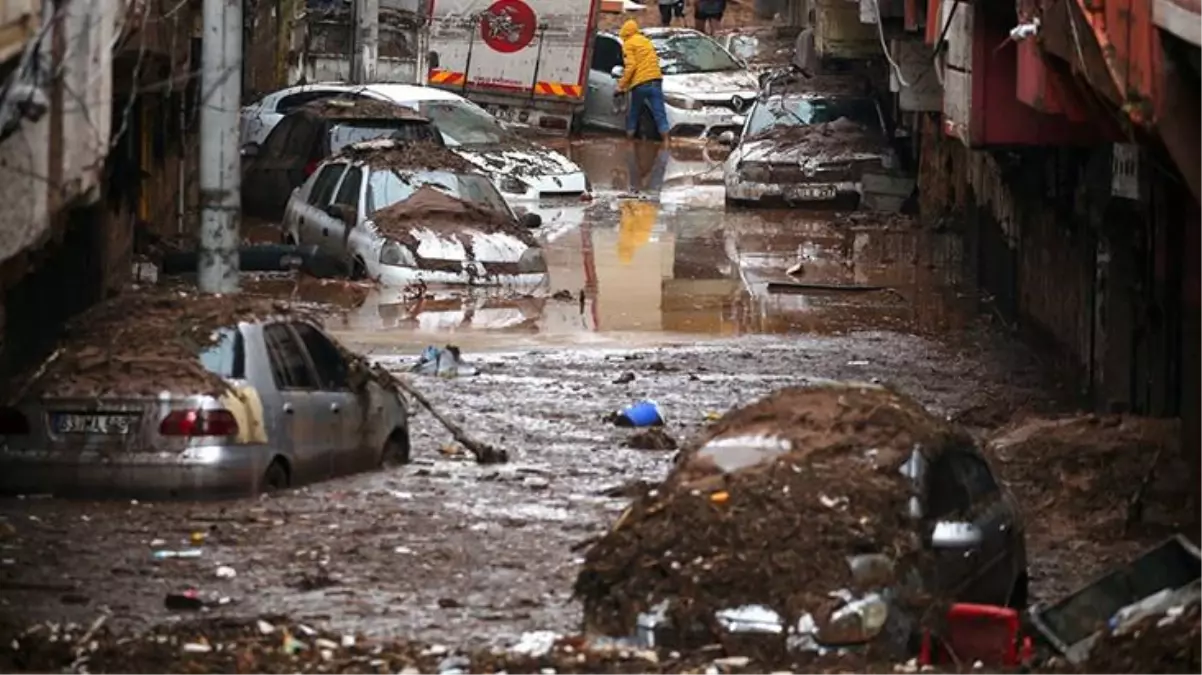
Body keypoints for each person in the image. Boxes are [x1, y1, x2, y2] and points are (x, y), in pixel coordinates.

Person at [616, 20, 670, 146]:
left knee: (634, 112)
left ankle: (628, 143)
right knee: (659, 113)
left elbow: (631, 66)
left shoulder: (628, 44)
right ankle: (666, 142)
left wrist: (621, 86)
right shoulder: (646, 41)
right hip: (656, 80)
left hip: (640, 83)